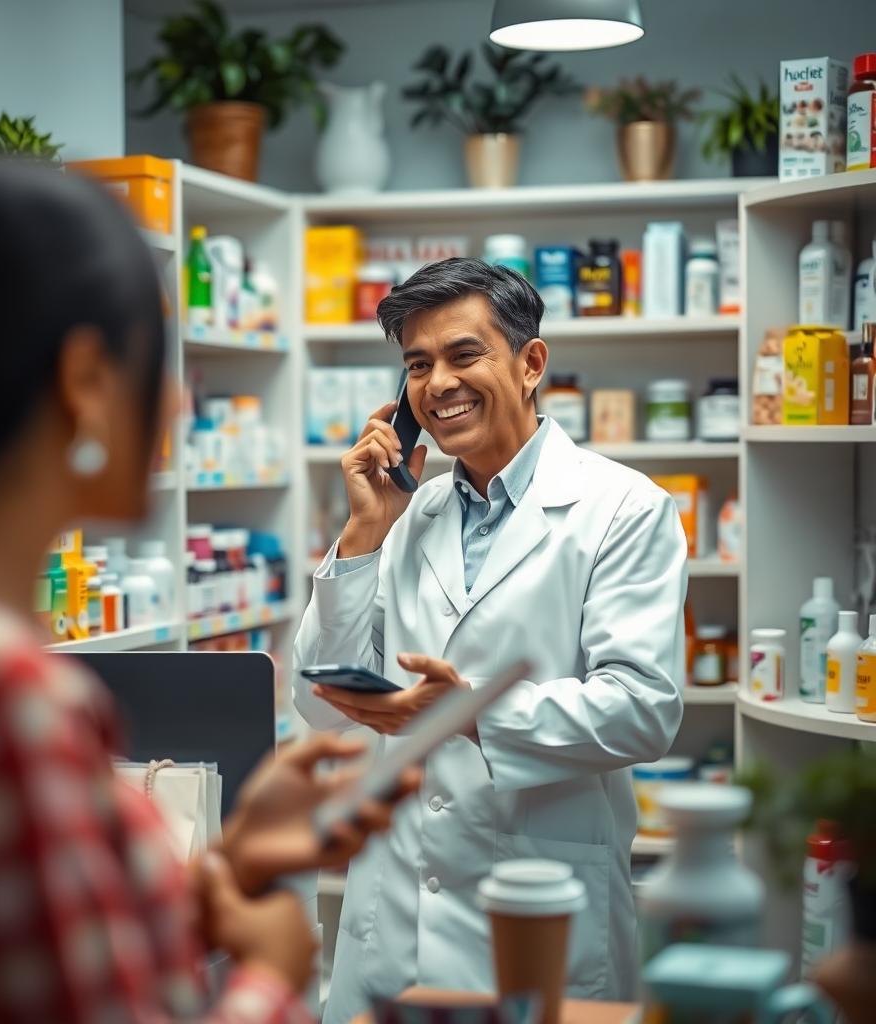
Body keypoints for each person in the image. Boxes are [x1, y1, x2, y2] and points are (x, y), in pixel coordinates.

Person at [0, 164, 416, 1022]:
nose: (177, 399)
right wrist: (272, 971)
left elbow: (33, 956)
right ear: (85, 381)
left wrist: (236, 862)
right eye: (160, 354)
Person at [293, 258, 687, 1023]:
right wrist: (366, 530)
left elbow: (644, 708)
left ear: (530, 362)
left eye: (463, 355)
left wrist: (470, 711)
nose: (438, 384)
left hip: (538, 910)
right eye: (417, 364)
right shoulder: (408, 513)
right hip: (395, 917)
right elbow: (323, 702)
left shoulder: (623, 509)